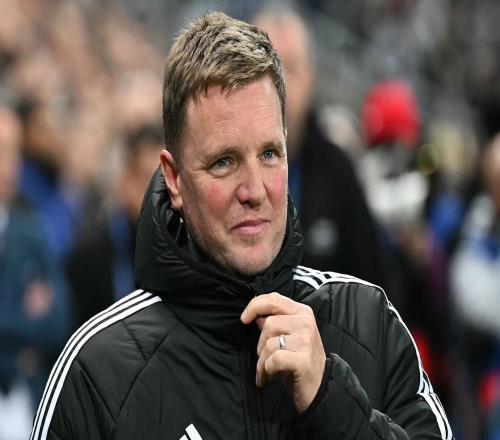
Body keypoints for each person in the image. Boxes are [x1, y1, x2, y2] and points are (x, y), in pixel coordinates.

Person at [30, 12, 452, 439]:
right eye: (224, 162)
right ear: (174, 180)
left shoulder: (369, 323)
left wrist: (331, 401)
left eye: (269, 154)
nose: (254, 190)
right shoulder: (96, 374)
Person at [253, 5, 386, 288]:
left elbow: (370, 282)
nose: (279, 83)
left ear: (311, 78)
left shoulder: (337, 169)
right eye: (265, 67)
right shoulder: (223, 166)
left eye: (290, 67)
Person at [0, 105, 71, 440]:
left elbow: (58, 320)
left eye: (14, 151)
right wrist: (19, 346)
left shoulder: (31, 231)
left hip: (23, 404)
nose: (10, 164)